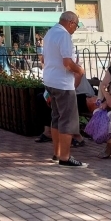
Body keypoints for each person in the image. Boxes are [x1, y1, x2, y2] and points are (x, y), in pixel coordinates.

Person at [42, 11, 87, 167]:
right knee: (67, 120)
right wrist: (79, 70)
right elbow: (67, 62)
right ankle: (65, 157)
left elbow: (43, 58)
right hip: (63, 83)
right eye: (76, 25)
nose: (75, 29)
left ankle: (57, 153)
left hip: (50, 80)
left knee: (56, 117)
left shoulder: (50, 33)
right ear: (70, 22)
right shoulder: (65, 35)